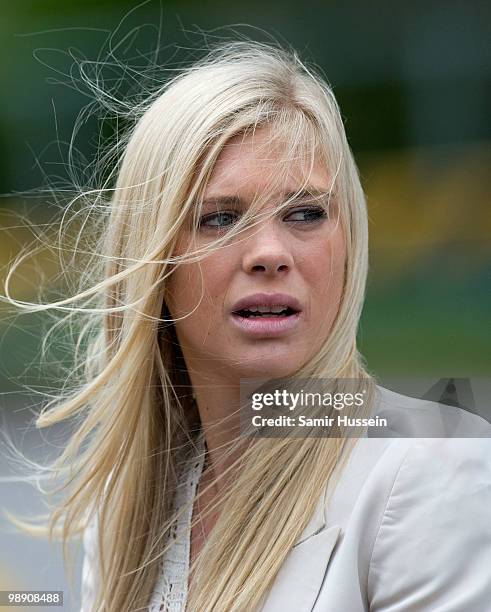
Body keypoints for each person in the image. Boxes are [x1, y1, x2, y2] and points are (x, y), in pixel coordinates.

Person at [6, 40, 491, 611]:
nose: (269, 253)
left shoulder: (435, 470)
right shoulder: (127, 506)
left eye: (305, 213)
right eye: (220, 218)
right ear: (153, 261)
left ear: (349, 244)